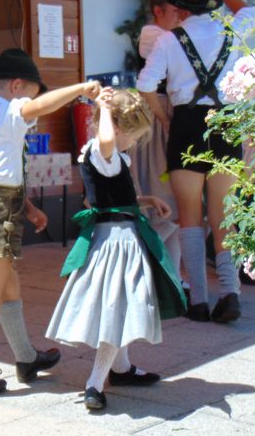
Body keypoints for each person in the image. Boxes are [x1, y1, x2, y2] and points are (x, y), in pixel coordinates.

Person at [0, 48, 100, 399]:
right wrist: (80, 88)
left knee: (9, 285)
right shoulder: (7, 111)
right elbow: (37, 107)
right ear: (17, 86)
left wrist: (30, 208)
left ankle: (26, 358)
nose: (32, 106)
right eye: (30, 96)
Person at [46, 88, 186, 411]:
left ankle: (121, 368)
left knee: (120, 305)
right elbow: (107, 140)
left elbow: (111, 197)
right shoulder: (101, 150)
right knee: (117, 309)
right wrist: (105, 109)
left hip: (119, 237)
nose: (134, 143)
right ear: (118, 128)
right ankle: (95, 383)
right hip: (115, 243)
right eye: (133, 135)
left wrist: (146, 201)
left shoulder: (109, 158)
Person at [137, 0, 255, 322]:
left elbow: (145, 84)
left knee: (190, 214)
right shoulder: (234, 29)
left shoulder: (168, 39)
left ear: (180, 9)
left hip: (186, 124)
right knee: (224, 216)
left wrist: (164, 117)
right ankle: (230, 293)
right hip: (226, 123)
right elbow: (250, 9)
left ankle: (199, 300)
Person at [129, 0, 184, 286]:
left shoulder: (170, 37)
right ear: (158, 11)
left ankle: (170, 280)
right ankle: (140, 264)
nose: (180, 16)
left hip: (166, 115)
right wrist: (165, 119)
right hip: (155, 118)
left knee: (174, 207)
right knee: (164, 196)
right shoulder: (153, 35)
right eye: (175, 11)